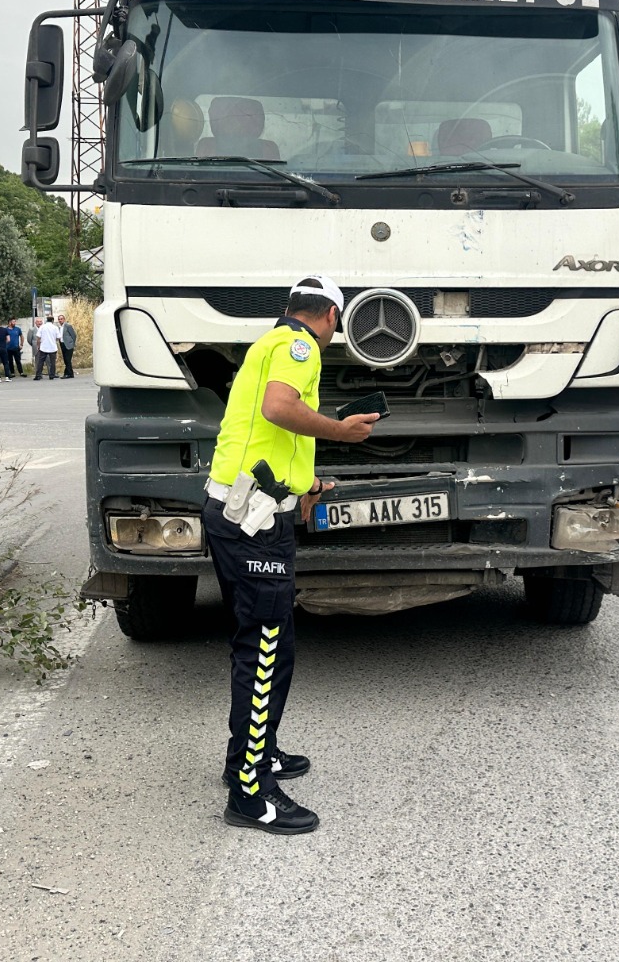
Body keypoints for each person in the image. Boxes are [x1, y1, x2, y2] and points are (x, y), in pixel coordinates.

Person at [202, 275, 379, 835]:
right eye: (336, 324)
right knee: (264, 653)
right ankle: (250, 795)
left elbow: (264, 435)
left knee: (267, 646)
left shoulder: (268, 345)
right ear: (330, 314)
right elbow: (281, 409)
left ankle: (258, 755)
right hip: (252, 524)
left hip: (246, 508)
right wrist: (341, 432)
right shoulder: (299, 346)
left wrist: (302, 484)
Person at [33, 314, 60, 380]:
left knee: (40, 362)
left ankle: (38, 375)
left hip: (43, 347)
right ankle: (52, 375)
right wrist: (53, 340)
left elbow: (38, 337)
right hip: (52, 347)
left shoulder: (42, 327)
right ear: (52, 320)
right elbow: (58, 338)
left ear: (46, 320)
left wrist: (38, 346)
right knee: (52, 362)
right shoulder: (55, 327)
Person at [58, 313, 77, 379]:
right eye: (59, 319)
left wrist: (72, 343)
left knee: (67, 359)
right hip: (62, 344)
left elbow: (73, 335)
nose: (60, 320)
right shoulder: (59, 327)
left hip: (68, 344)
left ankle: (67, 373)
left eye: (61, 319)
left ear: (64, 319)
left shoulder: (68, 326)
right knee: (65, 360)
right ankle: (70, 373)